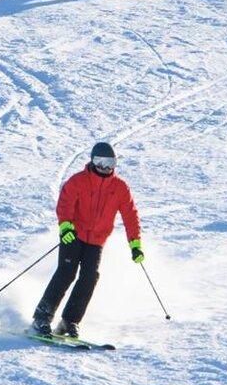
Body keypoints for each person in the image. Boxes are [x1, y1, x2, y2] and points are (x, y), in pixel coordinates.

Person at [30, 142, 143, 339]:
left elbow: (130, 216)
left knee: (90, 276)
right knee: (66, 272)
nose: (105, 167)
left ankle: (69, 321)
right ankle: (42, 317)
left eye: (110, 163)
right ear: (93, 161)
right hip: (73, 235)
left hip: (97, 240)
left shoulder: (120, 188)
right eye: (100, 162)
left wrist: (135, 245)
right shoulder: (78, 181)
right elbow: (65, 204)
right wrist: (65, 227)